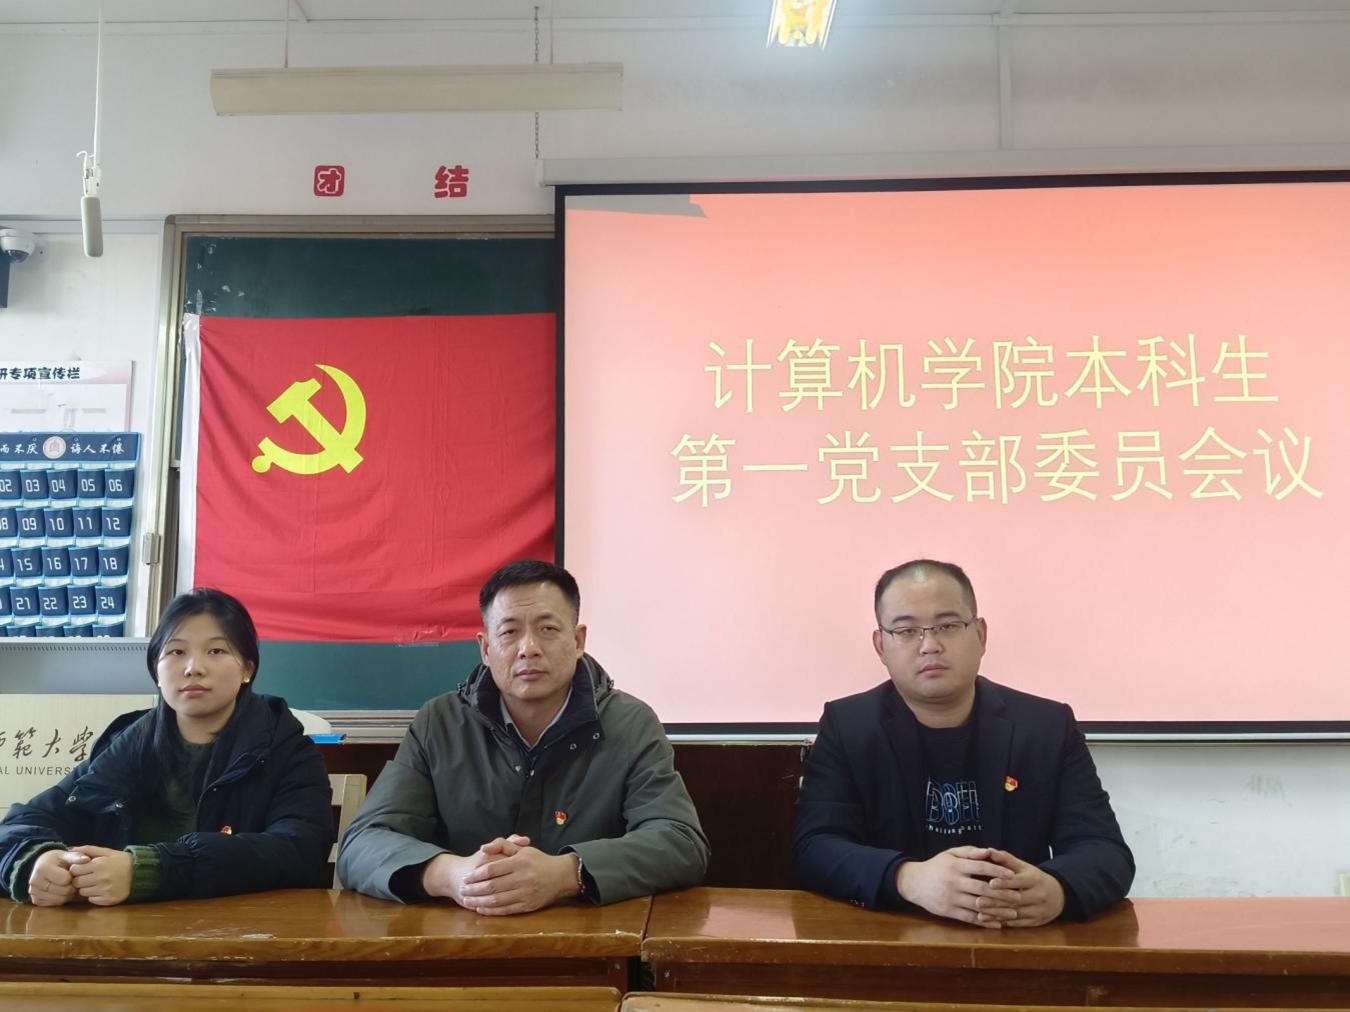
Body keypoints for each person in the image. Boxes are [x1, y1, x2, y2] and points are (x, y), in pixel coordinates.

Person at [338, 559, 709, 914]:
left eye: (547, 629)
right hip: (462, 938)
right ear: (486, 648)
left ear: (578, 641)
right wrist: (453, 876)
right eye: (509, 632)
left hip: (590, 942)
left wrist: (568, 873)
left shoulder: (630, 724)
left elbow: (680, 841)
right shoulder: (440, 723)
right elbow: (362, 843)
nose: (528, 648)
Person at [794, 559, 1133, 928]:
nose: (930, 645)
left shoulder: (1046, 727)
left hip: (1015, 935)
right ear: (881, 647)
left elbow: (1105, 850)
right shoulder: (848, 727)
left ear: (981, 635)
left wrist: (1056, 889)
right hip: (893, 935)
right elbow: (814, 848)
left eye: (948, 626)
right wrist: (908, 878)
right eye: (906, 630)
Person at [0, 588, 334, 906]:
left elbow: (300, 850)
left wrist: (151, 870)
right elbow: (22, 823)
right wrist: (36, 859)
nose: (193, 668)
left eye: (216, 651)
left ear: (247, 669)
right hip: (117, 935)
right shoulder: (127, 746)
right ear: (156, 671)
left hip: (238, 935)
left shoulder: (286, 750)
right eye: (176, 652)